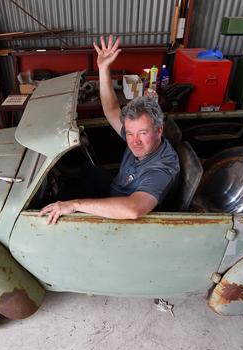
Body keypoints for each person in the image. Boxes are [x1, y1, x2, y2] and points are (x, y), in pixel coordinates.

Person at [39, 35, 179, 225]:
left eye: (142, 133)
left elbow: (133, 209)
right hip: (117, 187)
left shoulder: (160, 169)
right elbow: (111, 109)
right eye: (130, 133)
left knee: (68, 203)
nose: (134, 141)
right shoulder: (142, 139)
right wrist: (104, 68)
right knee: (86, 170)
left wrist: (75, 205)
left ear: (159, 131)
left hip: (124, 212)